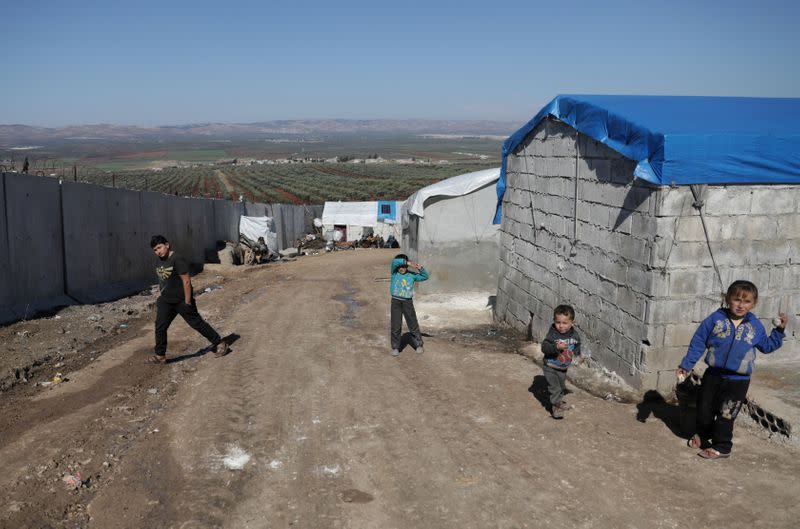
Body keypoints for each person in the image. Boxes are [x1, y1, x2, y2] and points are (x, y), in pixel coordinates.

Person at [677, 280, 786, 459]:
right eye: (737, 300)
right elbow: (698, 341)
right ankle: (703, 435)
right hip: (713, 376)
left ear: (754, 304)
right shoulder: (715, 319)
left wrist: (779, 331)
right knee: (704, 410)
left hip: (738, 382)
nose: (741, 305)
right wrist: (686, 365)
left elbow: (767, 346)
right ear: (728, 299)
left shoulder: (754, 326)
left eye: (747, 301)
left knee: (726, 415)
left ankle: (722, 446)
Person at [149, 235, 229, 364]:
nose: (158, 251)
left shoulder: (177, 259)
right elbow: (162, 279)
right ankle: (160, 355)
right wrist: (160, 295)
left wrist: (187, 301)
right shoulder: (159, 260)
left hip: (181, 300)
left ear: (167, 245)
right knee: (160, 326)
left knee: (196, 323)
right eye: (155, 250)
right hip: (166, 300)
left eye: (159, 247)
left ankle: (220, 343)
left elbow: (186, 281)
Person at [540, 305, 582, 419]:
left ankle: (559, 401)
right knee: (555, 388)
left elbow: (577, 345)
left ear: (572, 323)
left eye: (565, 323)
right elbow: (544, 347)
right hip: (550, 366)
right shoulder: (553, 334)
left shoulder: (574, 335)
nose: (561, 326)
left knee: (561, 386)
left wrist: (578, 356)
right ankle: (556, 407)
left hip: (563, 368)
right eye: (558, 322)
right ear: (554, 321)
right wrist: (556, 347)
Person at [389, 253, 428, 357]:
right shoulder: (394, 273)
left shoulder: (411, 275)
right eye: (400, 266)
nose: (402, 268)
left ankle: (418, 344)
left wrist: (420, 268)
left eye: (404, 266)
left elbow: (425, 276)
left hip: (407, 302)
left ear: (407, 267)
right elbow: (394, 262)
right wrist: (407, 262)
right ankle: (395, 347)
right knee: (396, 325)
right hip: (396, 302)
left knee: (413, 323)